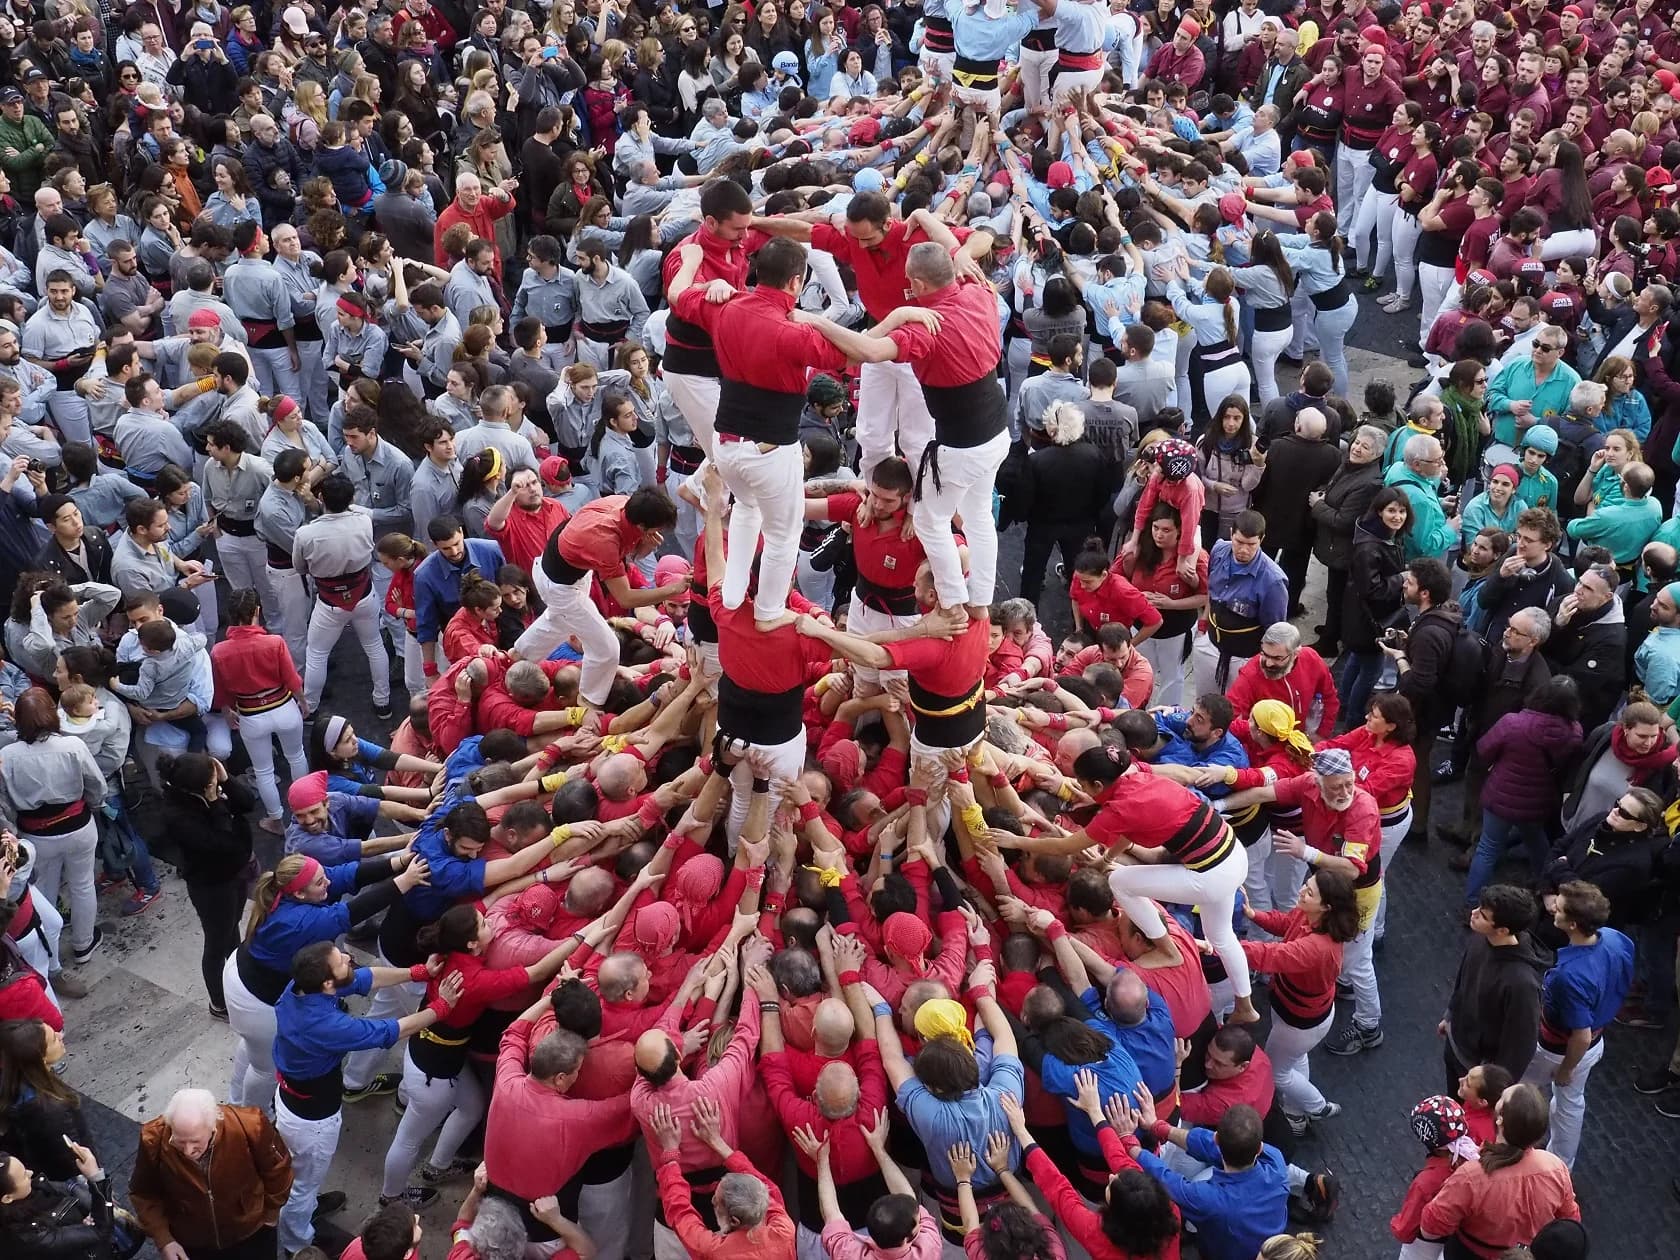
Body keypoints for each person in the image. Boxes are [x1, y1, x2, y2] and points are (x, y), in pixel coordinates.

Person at [270, 942, 464, 1257]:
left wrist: (418, 972)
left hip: (296, 1102)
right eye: (341, 962)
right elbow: (393, 1030)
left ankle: (304, 1210)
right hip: (312, 1120)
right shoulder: (326, 1025)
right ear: (328, 984)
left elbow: (366, 978)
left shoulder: (302, 986)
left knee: (303, 1175)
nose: (348, 958)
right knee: (304, 1182)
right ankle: (298, 1239)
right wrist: (441, 1008)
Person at [1521, 881, 1634, 1169]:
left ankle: (1512, 1151)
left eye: (1558, 908)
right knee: (1571, 1104)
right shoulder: (1615, 939)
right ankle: (1560, 1168)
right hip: (1596, 1041)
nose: (1552, 909)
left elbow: (1579, 1036)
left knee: (1518, 1092)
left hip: (1557, 1050)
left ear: (1571, 924)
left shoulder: (1568, 976)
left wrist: (1565, 1069)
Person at [1238, 869, 1361, 1134]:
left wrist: (1228, 947)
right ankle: (1296, 1113)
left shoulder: (1318, 948)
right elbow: (1285, 923)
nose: (1302, 892)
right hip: (1300, 1013)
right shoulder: (1311, 916)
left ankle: (1316, 1106)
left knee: (1276, 1071)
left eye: (1309, 892)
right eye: (1306, 885)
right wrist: (1253, 914)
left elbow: (1273, 955)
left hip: (1299, 1020)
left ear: (1326, 906)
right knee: (1294, 1060)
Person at [127, 1087, 294, 1260]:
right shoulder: (153, 1139)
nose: (188, 1151)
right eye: (180, 1141)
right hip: (193, 1242)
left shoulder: (250, 1126)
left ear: (213, 1125)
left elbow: (279, 1170)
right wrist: (165, 1240)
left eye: (195, 1141)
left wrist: (270, 1215)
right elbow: (143, 1193)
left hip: (250, 1231)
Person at [1417, 1083, 1581, 1254]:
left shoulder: (1470, 1176)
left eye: (1502, 1098)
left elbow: (1431, 1229)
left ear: (1500, 1118)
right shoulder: (1556, 1167)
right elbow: (1570, 1220)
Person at [160, 752, 259, 1019]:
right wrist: (216, 804)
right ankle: (219, 1002)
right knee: (216, 942)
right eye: (213, 780)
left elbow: (248, 803)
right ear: (202, 788)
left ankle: (239, 976)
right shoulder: (178, 816)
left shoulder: (212, 790)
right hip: (211, 885)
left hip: (234, 874)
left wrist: (227, 782)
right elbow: (222, 843)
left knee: (231, 929)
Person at [291, 475, 391, 720]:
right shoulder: (364, 521)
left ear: (321, 498)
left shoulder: (306, 533)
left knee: (316, 653)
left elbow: (299, 567)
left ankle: (310, 708)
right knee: (374, 645)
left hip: (329, 599)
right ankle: (383, 702)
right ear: (352, 498)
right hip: (363, 593)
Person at [1191, 510, 1288, 698]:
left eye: (1251, 544)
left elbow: (1275, 631)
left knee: (1235, 710)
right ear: (1231, 534)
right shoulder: (1219, 550)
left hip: (1243, 657)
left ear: (1262, 539)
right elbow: (1212, 591)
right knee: (1203, 700)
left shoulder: (1273, 580)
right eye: (1239, 542)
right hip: (1209, 642)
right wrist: (1203, 624)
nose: (1244, 550)